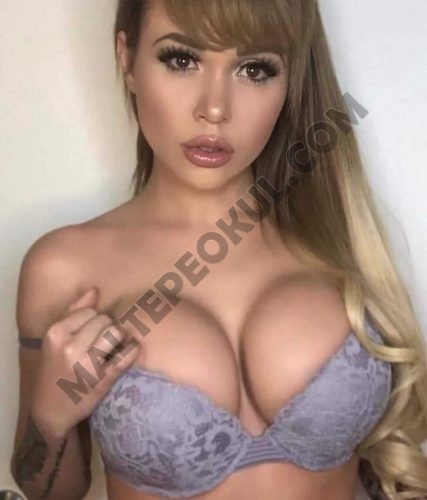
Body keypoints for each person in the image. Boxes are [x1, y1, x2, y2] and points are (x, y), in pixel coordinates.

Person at [9, 0, 427, 499]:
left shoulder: (337, 239)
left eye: (255, 69)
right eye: (182, 59)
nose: (215, 108)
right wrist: (49, 417)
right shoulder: (63, 268)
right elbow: (51, 492)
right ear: (127, 59)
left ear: (291, 80)